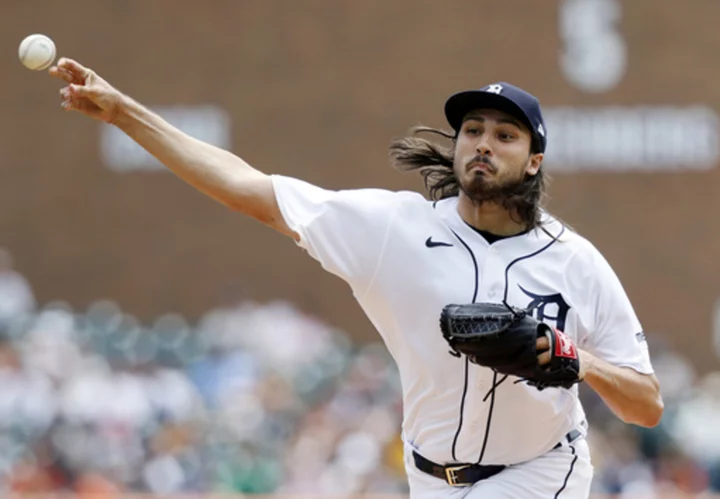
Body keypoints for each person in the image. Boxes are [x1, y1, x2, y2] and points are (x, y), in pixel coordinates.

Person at [49, 58, 663, 498]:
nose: (483, 144)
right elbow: (247, 189)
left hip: (539, 473)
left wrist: (571, 359)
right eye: (472, 130)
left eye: (505, 135)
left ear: (533, 160)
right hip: (427, 478)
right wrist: (125, 113)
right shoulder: (392, 229)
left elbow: (646, 405)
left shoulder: (574, 261)